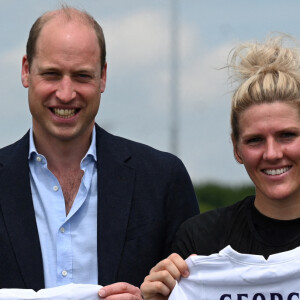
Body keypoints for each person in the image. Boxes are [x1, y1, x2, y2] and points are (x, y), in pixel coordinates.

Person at [0, 5, 199, 299]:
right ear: (26, 70)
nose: (66, 93)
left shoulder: (162, 180)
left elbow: (198, 291)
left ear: (103, 76)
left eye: (82, 76)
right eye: (52, 74)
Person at [141, 34, 300, 299]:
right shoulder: (200, 242)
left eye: (287, 135)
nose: (272, 154)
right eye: (255, 140)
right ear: (236, 149)